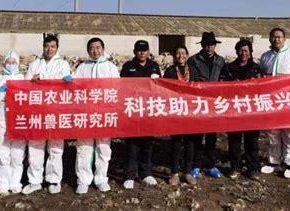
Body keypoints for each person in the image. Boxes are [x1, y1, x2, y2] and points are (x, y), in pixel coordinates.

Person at [22, 34, 71, 195]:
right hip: (37, 110)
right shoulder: (34, 64)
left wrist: (42, 78)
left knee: (56, 146)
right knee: (35, 146)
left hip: (56, 109)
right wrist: (32, 81)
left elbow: (62, 83)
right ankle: (34, 180)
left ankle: (54, 179)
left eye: (52, 46)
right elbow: (25, 84)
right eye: (47, 46)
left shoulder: (63, 64)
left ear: (57, 48)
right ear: (43, 47)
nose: (49, 49)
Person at [72, 37, 120, 194]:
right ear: (88, 50)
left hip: (104, 112)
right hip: (85, 112)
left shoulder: (111, 67)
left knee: (103, 147)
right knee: (83, 147)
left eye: (98, 48)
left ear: (103, 48)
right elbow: (74, 87)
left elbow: (118, 89)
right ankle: (83, 180)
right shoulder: (82, 68)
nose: (95, 51)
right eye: (92, 48)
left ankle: (101, 178)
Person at [259, 28, 290, 179]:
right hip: (271, 101)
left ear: (284, 39)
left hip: (289, 101)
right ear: (270, 39)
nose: (277, 39)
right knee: (273, 132)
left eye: (279, 37)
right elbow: (261, 78)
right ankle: (274, 160)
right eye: (274, 37)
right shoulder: (265, 57)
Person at [0, 50, 26, 194]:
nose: (11, 64)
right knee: (2, 150)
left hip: (19, 117)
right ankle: (3, 183)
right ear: (4, 63)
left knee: (17, 152)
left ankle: (15, 182)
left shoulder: (23, 78)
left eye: (14, 62)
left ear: (18, 64)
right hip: (2, 117)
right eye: (9, 62)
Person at [120, 40, 161, 190]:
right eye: (139, 50)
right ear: (134, 51)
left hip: (148, 110)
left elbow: (159, 88)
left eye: (144, 50)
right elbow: (121, 87)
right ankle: (129, 174)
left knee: (147, 143)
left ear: (149, 51)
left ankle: (146, 173)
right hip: (133, 109)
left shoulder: (154, 66)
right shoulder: (128, 67)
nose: (142, 53)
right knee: (132, 143)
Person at [221, 39, 261, 180]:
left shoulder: (257, 68)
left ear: (250, 53)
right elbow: (221, 86)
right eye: (241, 50)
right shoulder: (228, 68)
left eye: (246, 51)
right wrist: (232, 85)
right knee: (234, 141)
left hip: (251, 110)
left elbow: (262, 88)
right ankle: (235, 167)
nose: (243, 53)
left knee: (252, 142)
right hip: (234, 109)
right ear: (236, 51)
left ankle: (253, 168)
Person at [187, 31, 226, 179]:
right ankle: (196, 165)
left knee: (212, 136)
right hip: (199, 101)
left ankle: (210, 165)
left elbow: (224, 78)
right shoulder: (194, 60)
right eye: (207, 45)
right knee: (197, 135)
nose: (210, 47)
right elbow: (190, 79)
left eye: (212, 44)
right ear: (202, 45)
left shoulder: (220, 61)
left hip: (214, 103)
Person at [163, 45, 201, 186]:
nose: (181, 56)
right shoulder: (170, 71)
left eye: (183, 53)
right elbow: (164, 90)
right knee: (176, 142)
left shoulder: (194, 71)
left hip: (190, 111)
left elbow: (199, 89)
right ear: (174, 56)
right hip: (175, 111)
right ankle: (174, 173)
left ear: (187, 55)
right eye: (178, 54)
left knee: (190, 142)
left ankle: (187, 172)